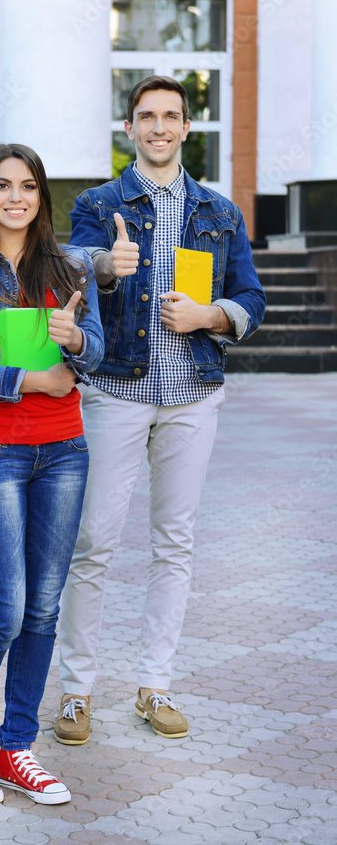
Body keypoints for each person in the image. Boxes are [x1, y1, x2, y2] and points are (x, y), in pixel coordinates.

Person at [54, 76, 267, 744]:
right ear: (129, 129)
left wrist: (212, 315)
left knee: (174, 544)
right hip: (116, 392)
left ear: (185, 127)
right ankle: (76, 692)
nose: (159, 127)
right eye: (146, 116)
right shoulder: (99, 202)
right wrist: (105, 267)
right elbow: (71, 268)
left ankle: (155, 684)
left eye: (171, 116)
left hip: (193, 397)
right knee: (93, 544)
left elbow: (251, 300)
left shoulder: (220, 212)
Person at [0, 143, 104, 805]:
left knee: (42, 608)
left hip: (64, 451)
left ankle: (16, 749)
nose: (15, 197)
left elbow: (97, 357)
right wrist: (33, 377)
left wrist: (77, 341)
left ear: (41, 198)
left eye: (28, 186)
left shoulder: (67, 269)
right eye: (2, 186)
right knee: (4, 609)